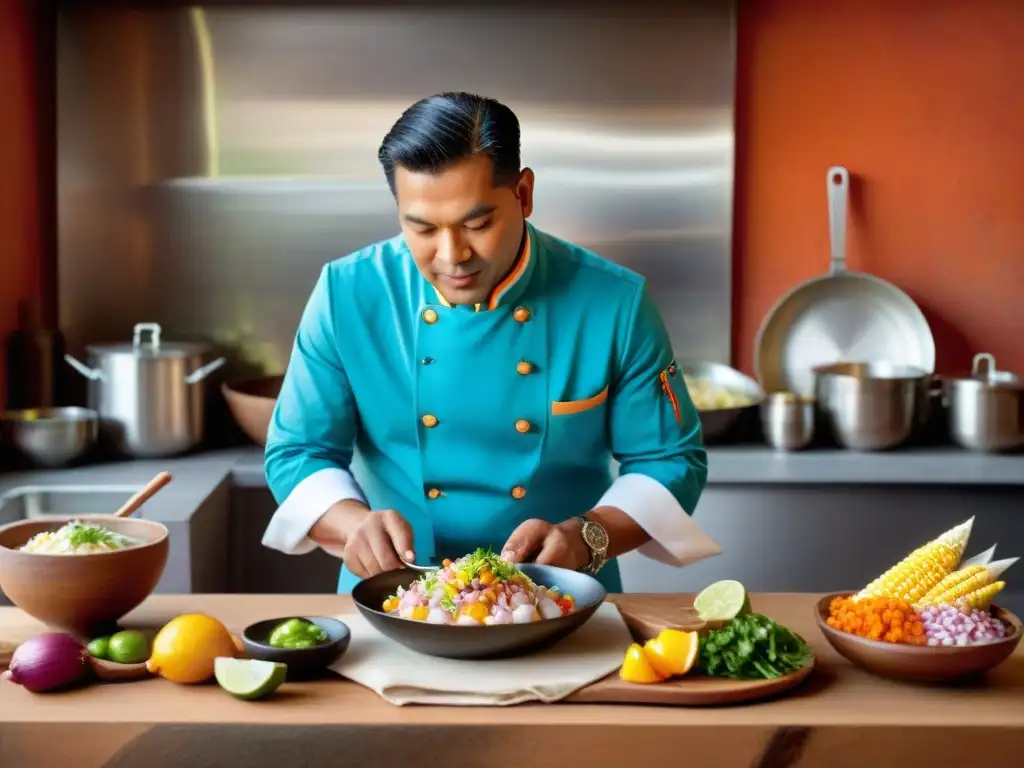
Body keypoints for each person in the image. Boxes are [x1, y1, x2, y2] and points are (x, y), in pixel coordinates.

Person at [262, 92, 720, 595]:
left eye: (477, 224)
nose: (452, 255)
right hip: (391, 596)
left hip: (560, 595)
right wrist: (351, 524)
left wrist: (588, 536)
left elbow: (670, 458)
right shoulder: (348, 293)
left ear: (523, 194)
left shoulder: (613, 301)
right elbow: (299, 449)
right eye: (422, 228)